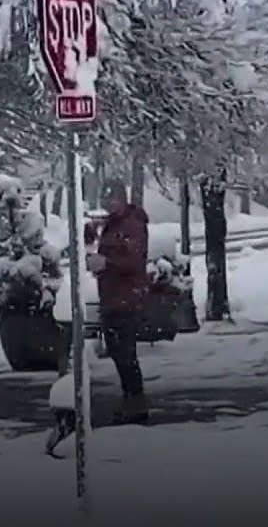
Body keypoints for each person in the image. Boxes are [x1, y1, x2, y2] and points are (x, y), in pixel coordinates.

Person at [86, 179, 151, 425]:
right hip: (112, 298)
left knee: (125, 355)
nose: (108, 203)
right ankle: (131, 401)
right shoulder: (112, 224)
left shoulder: (132, 224)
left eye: (112, 197)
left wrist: (106, 263)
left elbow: (135, 261)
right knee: (118, 353)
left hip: (126, 299)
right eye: (105, 198)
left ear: (122, 198)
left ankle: (136, 404)